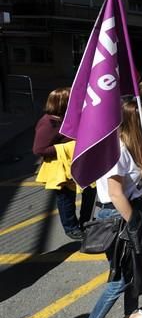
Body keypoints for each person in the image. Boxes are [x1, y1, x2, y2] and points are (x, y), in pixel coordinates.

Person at [87, 101, 142, 318]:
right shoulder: (118, 150)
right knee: (120, 279)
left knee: (136, 270)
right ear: (137, 122)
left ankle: (132, 313)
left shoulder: (135, 146)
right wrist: (135, 225)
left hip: (131, 212)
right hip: (117, 216)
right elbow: (115, 193)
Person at [34, 87, 96, 240]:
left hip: (77, 163)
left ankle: (86, 222)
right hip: (61, 166)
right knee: (66, 198)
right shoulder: (48, 123)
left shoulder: (68, 118)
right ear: (62, 103)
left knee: (90, 192)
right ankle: (71, 227)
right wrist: (69, 148)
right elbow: (39, 149)